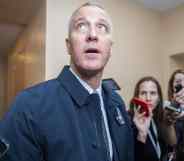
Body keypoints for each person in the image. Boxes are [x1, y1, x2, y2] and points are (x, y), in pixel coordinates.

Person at [0, 2, 134, 161]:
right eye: (82, 26)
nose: (92, 34)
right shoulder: (28, 107)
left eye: (102, 27)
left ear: (110, 48)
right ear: (68, 45)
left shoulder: (117, 103)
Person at [129, 76, 176, 161]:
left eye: (153, 93)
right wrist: (142, 134)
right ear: (137, 97)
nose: (148, 98)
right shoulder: (129, 120)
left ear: (158, 99)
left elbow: (172, 144)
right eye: (143, 93)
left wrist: (169, 124)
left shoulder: (157, 117)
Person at [167, 69, 184, 161]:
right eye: (178, 82)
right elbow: (171, 142)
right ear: (172, 86)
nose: (182, 85)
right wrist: (175, 104)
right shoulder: (167, 107)